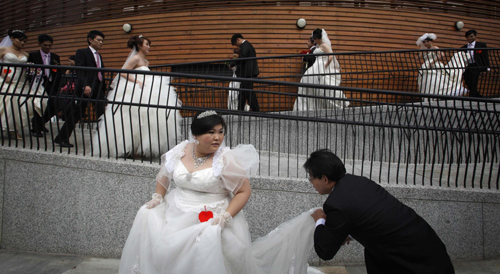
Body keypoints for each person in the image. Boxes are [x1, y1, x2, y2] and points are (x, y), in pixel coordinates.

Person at [119, 110, 322, 274]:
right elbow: (164, 175)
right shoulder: (181, 150)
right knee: (146, 214)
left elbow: (244, 191)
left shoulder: (225, 159)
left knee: (204, 244)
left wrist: (225, 217)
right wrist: (157, 197)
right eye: (211, 132)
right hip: (176, 210)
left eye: (221, 132)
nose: (218, 137)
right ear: (196, 135)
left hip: (212, 215)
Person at [306, 149, 455, 274]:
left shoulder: (336, 204)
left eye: (312, 178)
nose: (311, 183)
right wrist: (347, 232)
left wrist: (319, 219)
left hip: (415, 263)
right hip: (426, 245)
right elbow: (369, 216)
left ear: (324, 179)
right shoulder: (359, 182)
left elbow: (325, 251)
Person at [92, 35, 181, 158]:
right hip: (136, 88)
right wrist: (136, 82)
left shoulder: (145, 61)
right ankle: (127, 148)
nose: (149, 47)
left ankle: (141, 148)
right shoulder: (135, 58)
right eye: (146, 44)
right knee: (131, 118)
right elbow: (123, 72)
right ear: (139, 45)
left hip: (145, 88)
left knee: (146, 119)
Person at [54, 30, 107, 148]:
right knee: (77, 113)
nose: (101, 43)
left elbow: (100, 73)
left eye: (102, 41)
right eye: (99, 40)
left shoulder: (99, 55)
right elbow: (80, 70)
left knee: (101, 114)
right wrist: (85, 85)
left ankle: (104, 141)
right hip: (85, 88)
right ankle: (62, 138)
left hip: (98, 89)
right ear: (90, 40)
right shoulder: (82, 52)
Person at [0, 30, 46, 139]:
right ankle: (10, 129)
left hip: (22, 81)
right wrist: (3, 74)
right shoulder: (3, 50)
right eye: (20, 40)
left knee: (23, 104)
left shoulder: (25, 54)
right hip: (7, 78)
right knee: (8, 102)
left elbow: (28, 67)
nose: (22, 43)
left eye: (24, 41)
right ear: (12, 39)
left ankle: (15, 129)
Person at [294, 29, 349, 111]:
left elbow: (331, 56)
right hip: (316, 65)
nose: (315, 41)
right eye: (314, 39)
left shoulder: (324, 45)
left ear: (320, 38)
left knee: (323, 84)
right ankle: (309, 107)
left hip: (322, 65)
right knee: (307, 81)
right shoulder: (318, 46)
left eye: (316, 39)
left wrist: (326, 65)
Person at [416, 33, 471, 100]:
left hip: (434, 65)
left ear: (431, 41)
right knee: (425, 80)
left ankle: (435, 96)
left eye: (427, 41)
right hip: (426, 66)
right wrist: (421, 52)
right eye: (424, 42)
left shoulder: (435, 48)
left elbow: (441, 55)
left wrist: (433, 62)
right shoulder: (424, 50)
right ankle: (427, 98)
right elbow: (418, 58)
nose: (426, 43)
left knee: (434, 79)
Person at [29, 34, 63, 137]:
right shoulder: (33, 56)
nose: (47, 47)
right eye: (45, 45)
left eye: (49, 45)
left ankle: (41, 122)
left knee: (55, 105)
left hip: (52, 84)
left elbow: (58, 72)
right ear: (39, 44)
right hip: (39, 83)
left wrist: (60, 85)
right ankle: (36, 128)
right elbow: (29, 71)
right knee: (40, 104)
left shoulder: (55, 57)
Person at [231, 34, 260, 112]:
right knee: (243, 92)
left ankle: (255, 109)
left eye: (235, 44)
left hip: (248, 73)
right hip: (248, 73)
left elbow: (243, 57)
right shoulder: (247, 45)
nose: (237, 46)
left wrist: (232, 63)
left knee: (248, 92)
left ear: (238, 40)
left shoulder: (245, 45)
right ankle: (240, 110)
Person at [460, 30, 490, 98]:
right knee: (467, 79)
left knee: (474, 79)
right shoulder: (463, 48)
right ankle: (476, 94)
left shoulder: (481, 45)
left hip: (477, 65)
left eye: (471, 36)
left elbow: (485, 56)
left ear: (475, 36)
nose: (469, 38)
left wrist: (487, 67)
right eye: (468, 37)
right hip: (468, 65)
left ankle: (472, 95)